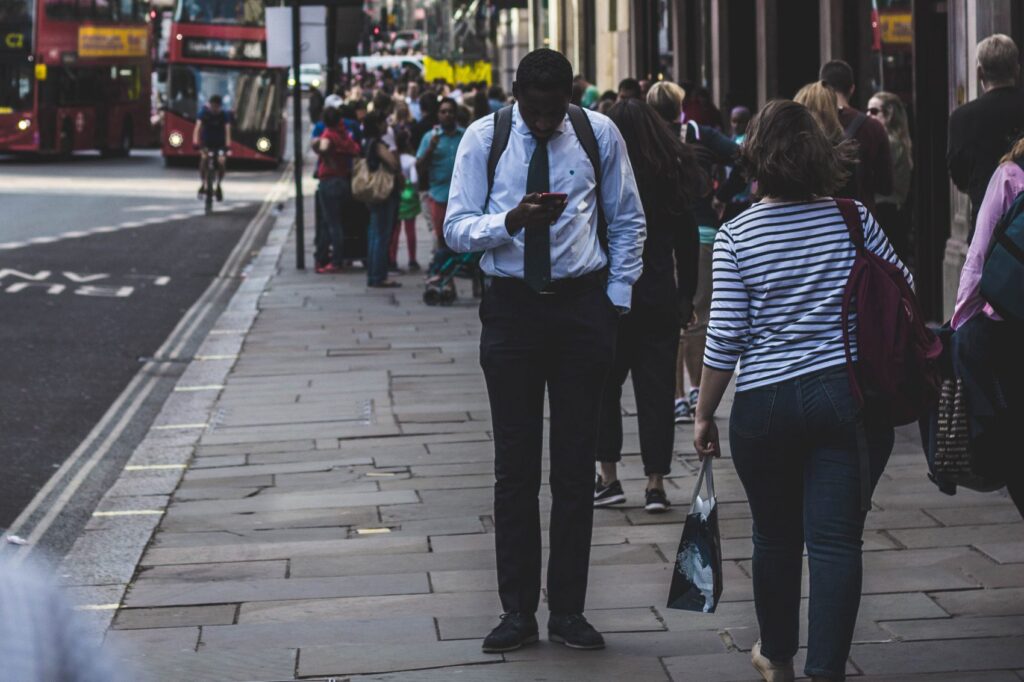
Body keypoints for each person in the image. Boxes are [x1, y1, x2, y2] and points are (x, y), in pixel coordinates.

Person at [694, 99, 910, 682]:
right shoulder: (852, 218)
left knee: (774, 536)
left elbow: (724, 338)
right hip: (841, 394)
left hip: (763, 406)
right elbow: (903, 285)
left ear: (756, 156)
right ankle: (827, 672)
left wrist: (703, 413)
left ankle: (778, 659)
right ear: (818, 153)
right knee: (837, 542)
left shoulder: (737, 234)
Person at [444, 48, 645, 654]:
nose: (541, 123)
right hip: (512, 311)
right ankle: (517, 612)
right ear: (515, 96)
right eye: (532, 112)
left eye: (552, 112)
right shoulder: (485, 138)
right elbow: (456, 226)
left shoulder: (596, 132)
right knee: (515, 470)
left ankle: (569, 612)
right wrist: (509, 222)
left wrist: (615, 297)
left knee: (575, 470)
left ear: (570, 98)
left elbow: (628, 218)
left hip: (582, 309)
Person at [594, 97, 704, 513]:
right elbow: (687, 240)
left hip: (610, 297)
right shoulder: (668, 172)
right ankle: (655, 484)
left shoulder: (602, 173)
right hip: (657, 295)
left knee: (604, 389)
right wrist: (685, 296)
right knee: (656, 393)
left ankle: (608, 477)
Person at [647, 80, 740, 423]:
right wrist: (724, 195)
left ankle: (674, 398)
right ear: (680, 106)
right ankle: (700, 390)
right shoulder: (699, 135)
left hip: (657, 238)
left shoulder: (644, 140)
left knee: (669, 319)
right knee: (699, 314)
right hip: (702, 231)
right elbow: (743, 158)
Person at [951, 136, 1024, 517]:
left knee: (1012, 428)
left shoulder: (1011, 173)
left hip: (1008, 320)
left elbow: (979, 253)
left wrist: (961, 319)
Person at [948, 33, 1024, 231]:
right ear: (1017, 70)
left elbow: (959, 175)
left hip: (987, 226)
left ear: (979, 73)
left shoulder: (962, 117)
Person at [820, 60, 893, 213]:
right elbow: (886, 185)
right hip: (859, 219)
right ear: (852, 89)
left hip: (819, 220)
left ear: (821, 87)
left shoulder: (812, 123)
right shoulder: (873, 127)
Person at [313, 108, 361, 274]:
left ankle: (333, 260)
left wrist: (324, 156)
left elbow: (324, 146)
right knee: (337, 222)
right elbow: (355, 149)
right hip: (343, 181)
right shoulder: (343, 135)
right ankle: (336, 257)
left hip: (329, 181)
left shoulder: (328, 135)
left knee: (330, 223)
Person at [868, 91, 914, 260]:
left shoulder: (890, 142)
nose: (868, 115)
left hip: (887, 211)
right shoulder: (894, 141)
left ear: (888, 115)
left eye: (874, 111)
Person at [360, 111, 402, 288]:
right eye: (384, 122)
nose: (387, 125)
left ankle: (374, 275)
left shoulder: (366, 142)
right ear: (377, 125)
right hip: (384, 193)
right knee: (381, 236)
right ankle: (379, 276)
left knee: (374, 234)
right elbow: (393, 164)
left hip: (374, 194)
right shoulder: (378, 144)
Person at [416, 97, 464, 246]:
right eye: (443, 111)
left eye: (450, 111)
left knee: (461, 238)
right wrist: (430, 148)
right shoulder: (429, 138)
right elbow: (419, 167)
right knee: (441, 239)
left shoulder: (465, 135)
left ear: (456, 114)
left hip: (462, 197)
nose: (447, 115)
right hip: (439, 196)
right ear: (438, 114)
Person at [192, 93, 232, 201]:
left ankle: (218, 184)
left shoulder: (224, 115)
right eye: (213, 106)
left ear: (220, 106)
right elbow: (197, 128)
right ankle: (203, 183)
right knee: (204, 159)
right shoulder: (203, 113)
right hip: (207, 143)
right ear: (210, 105)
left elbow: (227, 131)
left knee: (221, 161)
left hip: (220, 144)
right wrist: (195, 143)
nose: (214, 108)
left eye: (217, 106)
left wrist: (228, 147)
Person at [391, 130, 421, 272]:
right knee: (410, 230)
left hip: (397, 195)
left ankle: (392, 259)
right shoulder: (411, 160)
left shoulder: (393, 159)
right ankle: (412, 259)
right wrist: (416, 192)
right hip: (409, 197)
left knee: (395, 230)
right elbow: (414, 180)